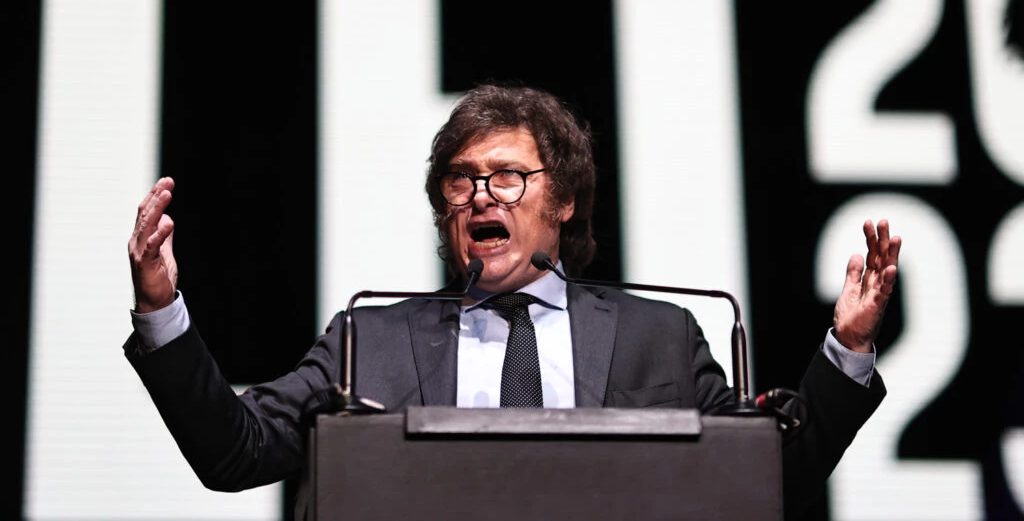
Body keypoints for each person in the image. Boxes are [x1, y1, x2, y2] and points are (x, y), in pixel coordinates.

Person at [126, 83, 900, 519]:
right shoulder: (372, 340)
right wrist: (163, 309)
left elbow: (772, 479)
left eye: (507, 176)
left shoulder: (658, 336)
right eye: (460, 180)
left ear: (562, 200)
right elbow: (234, 452)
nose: (479, 195)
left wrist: (848, 348)